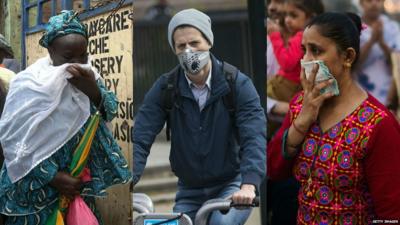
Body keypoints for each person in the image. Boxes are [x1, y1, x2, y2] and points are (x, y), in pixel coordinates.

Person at [132, 8, 266, 224]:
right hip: (189, 190)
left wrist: (249, 185)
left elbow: (254, 136)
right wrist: (127, 180)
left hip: (231, 185)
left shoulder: (237, 84)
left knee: (220, 223)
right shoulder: (166, 88)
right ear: (174, 49)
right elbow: (140, 137)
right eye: (181, 46)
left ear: (209, 42)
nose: (188, 51)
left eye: (195, 43)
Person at [0, 10, 131, 224]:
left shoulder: (89, 79)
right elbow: (14, 142)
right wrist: (52, 176)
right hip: (35, 194)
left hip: (77, 188)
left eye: (83, 55)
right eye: (68, 57)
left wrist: (93, 91)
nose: (77, 63)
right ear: (51, 51)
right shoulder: (28, 84)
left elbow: (110, 110)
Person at [268, 12, 400, 224]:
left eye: (316, 51)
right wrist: (301, 122)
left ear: (347, 57)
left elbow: (391, 212)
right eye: (304, 50)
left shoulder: (378, 124)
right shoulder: (301, 104)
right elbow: (274, 168)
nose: (306, 60)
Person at [267, 0, 324, 103]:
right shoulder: (304, 36)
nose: (287, 20)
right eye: (286, 15)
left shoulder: (302, 36)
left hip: (287, 86)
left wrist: (274, 36)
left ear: (310, 18)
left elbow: (287, 63)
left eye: (293, 15)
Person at [355, 0, 400, 105]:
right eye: (369, 1)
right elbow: (351, 63)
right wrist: (372, 41)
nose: (374, 4)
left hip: (388, 96)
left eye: (378, 0)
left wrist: (382, 43)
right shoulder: (353, 25)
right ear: (361, 3)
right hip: (359, 96)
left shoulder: (392, 27)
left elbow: (397, 63)